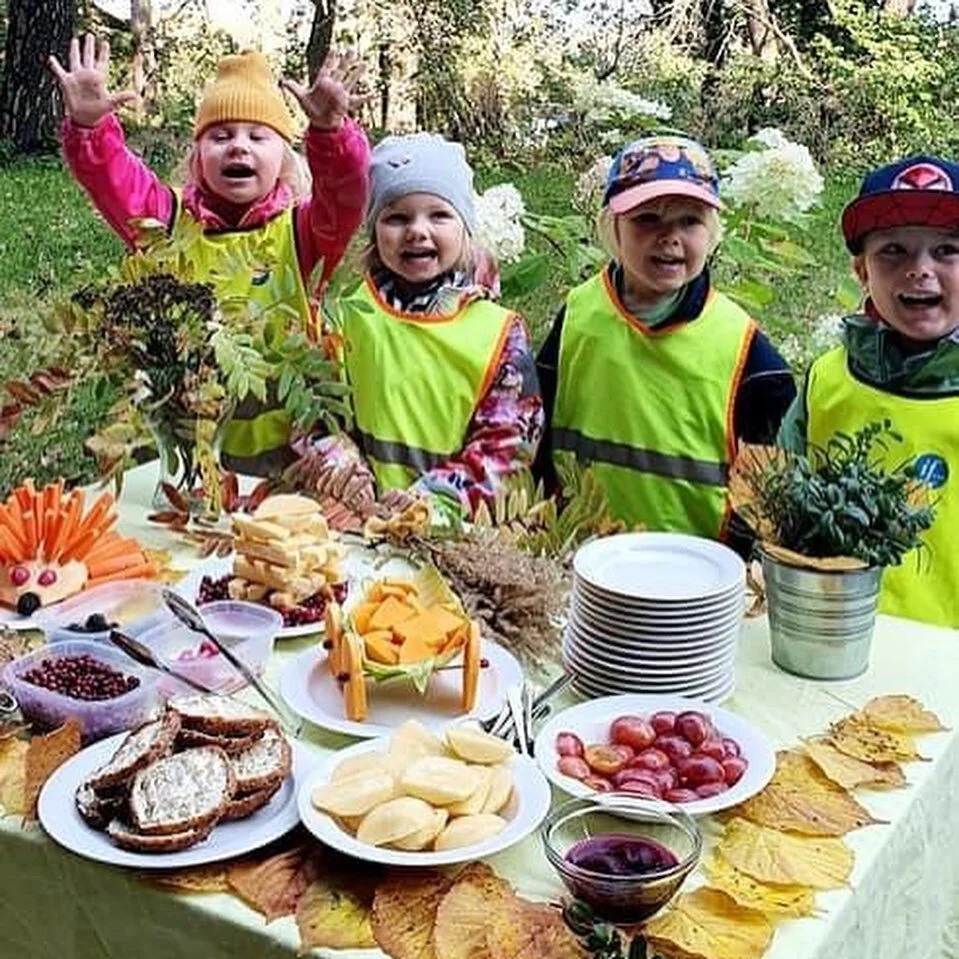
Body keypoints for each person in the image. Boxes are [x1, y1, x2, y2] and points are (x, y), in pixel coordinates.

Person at [49, 35, 370, 474]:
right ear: (198, 155)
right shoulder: (166, 223)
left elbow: (344, 197)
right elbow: (114, 181)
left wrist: (331, 135)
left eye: (258, 136)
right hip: (183, 449)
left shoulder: (304, 234)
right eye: (220, 136)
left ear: (285, 159)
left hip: (286, 454)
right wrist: (90, 128)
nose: (239, 146)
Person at [536, 134, 796, 543]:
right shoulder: (578, 316)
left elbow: (774, 488)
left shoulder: (746, 351)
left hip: (697, 574)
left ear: (711, 234)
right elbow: (537, 428)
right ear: (612, 228)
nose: (669, 236)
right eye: (647, 219)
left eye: (690, 221)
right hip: (581, 556)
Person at [311, 132, 543, 520]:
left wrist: (434, 501)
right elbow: (314, 414)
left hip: (455, 536)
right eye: (397, 217)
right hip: (355, 523)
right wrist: (341, 466)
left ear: (465, 227)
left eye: (439, 214)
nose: (417, 230)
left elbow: (510, 447)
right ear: (373, 230)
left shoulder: (499, 333)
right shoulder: (345, 316)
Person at [779, 155, 959, 627]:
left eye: (946, 251)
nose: (920, 270)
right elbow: (778, 505)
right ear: (862, 272)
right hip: (830, 634)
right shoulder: (828, 379)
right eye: (893, 252)